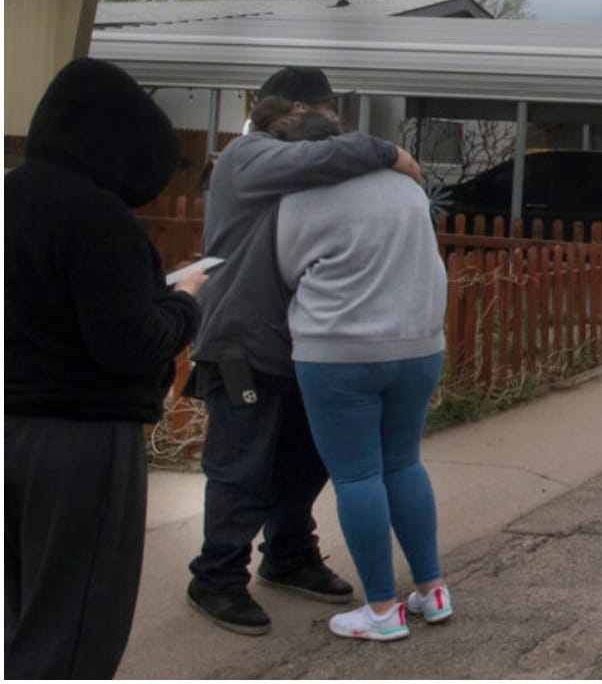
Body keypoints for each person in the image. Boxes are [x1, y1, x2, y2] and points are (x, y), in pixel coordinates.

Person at [185, 66, 423, 636]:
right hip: (242, 337)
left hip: (305, 338)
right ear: (286, 109)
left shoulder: (307, 158)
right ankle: (216, 576)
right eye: (322, 111)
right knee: (242, 466)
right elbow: (320, 160)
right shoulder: (247, 156)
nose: (331, 125)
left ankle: (288, 553)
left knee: (307, 457)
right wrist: (387, 151)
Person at [5, 58, 208, 678]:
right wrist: (183, 302)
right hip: (81, 444)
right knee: (74, 625)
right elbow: (128, 342)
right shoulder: (98, 219)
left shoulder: (10, 194)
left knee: (18, 610)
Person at [269, 103, 452, 641]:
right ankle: (431, 591)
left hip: (339, 351)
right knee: (404, 465)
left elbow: (285, 269)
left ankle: (379, 608)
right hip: (418, 345)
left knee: (357, 477)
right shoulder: (404, 187)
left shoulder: (300, 195)